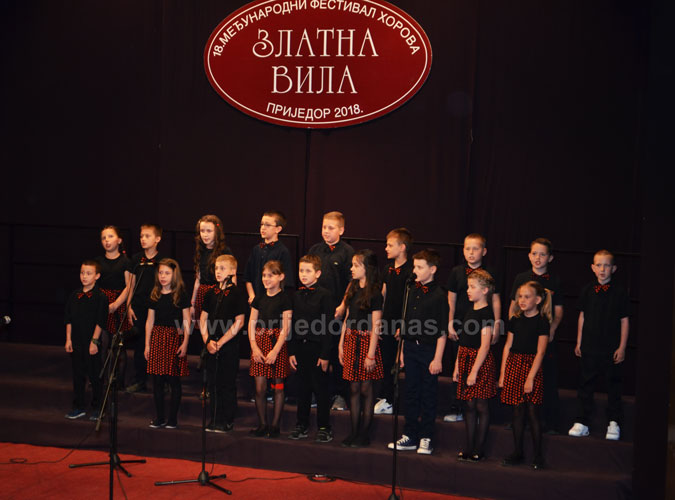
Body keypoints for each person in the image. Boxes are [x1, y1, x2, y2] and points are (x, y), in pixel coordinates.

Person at [388, 249, 448, 455]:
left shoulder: (439, 295)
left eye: (420, 267)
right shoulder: (411, 290)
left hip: (429, 349)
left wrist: (437, 358)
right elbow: (405, 323)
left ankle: (426, 437)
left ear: (432, 270)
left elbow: (442, 330)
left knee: (428, 394)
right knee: (411, 392)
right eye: (414, 267)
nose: (415, 271)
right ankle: (410, 435)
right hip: (410, 348)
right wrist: (402, 352)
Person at [569, 250, 630, 441]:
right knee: (585, 384)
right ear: (593, 268)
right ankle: (582, 422)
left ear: (614, 268)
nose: (602, 269)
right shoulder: (587, 290)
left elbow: (624, 320)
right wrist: (579, 341)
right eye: (599, 265)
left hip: (611, 347)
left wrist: (622, 347)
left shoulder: (620, 292)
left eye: (606, 265)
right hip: (589, 345)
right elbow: (582, 316)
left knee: (613, 385)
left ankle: (614, 422)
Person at [508, 237, 563, 433]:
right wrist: (513, 326)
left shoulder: (554, 280)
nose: (538, 258)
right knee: (518, 380)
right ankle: (518, 420)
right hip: (523, 336)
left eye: (542, 254)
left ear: (550, 258)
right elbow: (513, 306)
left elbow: (558, 311)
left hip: (542, 336)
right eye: (534, 253)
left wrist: (552, 329)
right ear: (529, 256)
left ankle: (547, 422)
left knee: (545, 379)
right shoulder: (521, 278)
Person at [444, 233, 501, 423]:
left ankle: (478, 408)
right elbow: (451, 300)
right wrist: (450, 322)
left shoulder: (491, 273)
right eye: (467, 248)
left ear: (484, 251)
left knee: (480, 366)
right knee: (459, 367)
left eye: (475, 248)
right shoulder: (457, 272)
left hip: (482, 325)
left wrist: (497, 323)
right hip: (461, 324)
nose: (471, 252)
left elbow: (496, 300)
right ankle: (457, 407)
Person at [500, 281, 551, 470]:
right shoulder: (515, 320)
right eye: (520, 296)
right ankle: (518, 451)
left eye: (527, 297)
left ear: (537, 300)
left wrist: (530, 378)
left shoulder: (542, 322)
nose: (522, 300)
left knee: (532, 411)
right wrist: (503, 373)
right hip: (514, 364)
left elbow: (541, 352)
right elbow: (508, 346)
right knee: (517, 410)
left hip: (531, 367)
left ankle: (538, 455)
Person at [308, 211, 354, 412]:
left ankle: (339, 395)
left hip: (335, 311)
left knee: (335, 354)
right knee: (315, 352)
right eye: (324, 227)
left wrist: (343, 304)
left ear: (341, 230)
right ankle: (317, 392)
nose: (326, 231)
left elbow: (352, 281)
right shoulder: (315, 249)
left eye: (331, 228)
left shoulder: (347, 252)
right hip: (315, 311)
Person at [338, 250, 383, 448]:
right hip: (351, 339)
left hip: (366, 342)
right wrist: (341, 343)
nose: (352, 269)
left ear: (368, 269)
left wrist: (371, 354)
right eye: (352, 265)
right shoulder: (353, 288)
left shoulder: (375, 293)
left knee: (366, 388)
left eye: (356, 265)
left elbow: (376, 325)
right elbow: (347, 317)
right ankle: (354, 431)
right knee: (353, 387)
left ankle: (364, 433)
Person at [288, 255, 334, 442]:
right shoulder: (296, 295)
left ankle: (324, 427)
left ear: (318, 273)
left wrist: (325, 354)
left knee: (320, 389)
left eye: (308, 271)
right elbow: (292, 325)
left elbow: (329, 326)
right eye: (301, 271)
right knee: (303, 389)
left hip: (317, 348)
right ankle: (302, 424)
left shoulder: (325, 295)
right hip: (300, 347)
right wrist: (291, 351)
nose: (303, 274)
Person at [199, 254, 247, 433]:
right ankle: (214, 418)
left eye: (222, 268)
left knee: (227, 383)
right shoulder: (211, 293)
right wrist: (207, 341)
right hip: (211, 344)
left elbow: (239, 322)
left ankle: (227, 419)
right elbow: (202, 319)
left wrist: (221, 342)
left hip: (228, 345)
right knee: (213, 384)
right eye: (216, 268)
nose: (218, 272)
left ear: (233, 271)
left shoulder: (237, 293)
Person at [454, 269, 497, 462]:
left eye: (472, 287)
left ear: (485, 290)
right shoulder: (469, 310)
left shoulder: (486, 313)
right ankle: (469, 446)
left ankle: (480, 448)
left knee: (481, 405)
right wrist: (457, 365)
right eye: (468, 286)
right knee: (469, 404)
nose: (468, 290)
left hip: (479, 362)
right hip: (465, 359)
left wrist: (474, 371)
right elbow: (463, 341)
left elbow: (485, 345)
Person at [248, 260, 293, 438]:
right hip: (259, 343)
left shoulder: (285, 298)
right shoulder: (259, 298)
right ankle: (262, 424)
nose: (266, 279)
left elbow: (286, 328)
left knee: (278, 387)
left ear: (281, 277)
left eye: (271, 275)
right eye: (264, 275)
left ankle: (275, 426)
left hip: (277, 344)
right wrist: (254, 347)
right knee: (260, 388)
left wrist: (275, 350)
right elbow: (251, 323)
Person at [144, 258, 190, 429]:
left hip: (173, 339)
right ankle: (160, 417)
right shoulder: (155, 294)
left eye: (167, 273)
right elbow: (149, 321)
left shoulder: (180, 295)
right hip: (157, 338)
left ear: (174, 275)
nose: (163, 276)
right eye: (161, 273)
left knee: (173, 380)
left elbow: (186, 321)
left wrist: (185, 343)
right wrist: (147, 344)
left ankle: (172, 418)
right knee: (157, 382)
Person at [376, 228, 414, 416]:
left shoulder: (411, 270)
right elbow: (383, 295)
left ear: (402, 247)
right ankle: (386, 397)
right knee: (386, 360)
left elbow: (411, 300)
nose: (386, 248)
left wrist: (403, 325)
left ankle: (394, 400)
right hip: (387, 321)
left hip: (402, 322)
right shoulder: (387, 269)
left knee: (398, 364)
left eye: (390, 245)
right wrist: (379, 321)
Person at [64, 260, 108, 420]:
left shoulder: (100, 296)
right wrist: (68, 339)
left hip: (91, 341)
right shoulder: (74, 295)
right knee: (78, 375)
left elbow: (101, 321)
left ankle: (98, 407)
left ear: (97, 276)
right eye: (82, 273)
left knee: (94, 375)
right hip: (76, 340)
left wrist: (94, 341)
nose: (84, 276)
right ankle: (79, 406)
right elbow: (68, 319)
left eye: (88, 273)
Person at [126, 223, 164, 394]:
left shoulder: (163, 260)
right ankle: (140, 380)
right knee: (140, 345)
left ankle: (163, 381)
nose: (143, 239)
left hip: (157, 307)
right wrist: (128, 306)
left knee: (159, 345)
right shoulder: (136, 259)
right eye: (141, 236)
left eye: (147, 236)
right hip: (139, 307)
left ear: (157, 239)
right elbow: (131, 285)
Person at [94, 226, 132, 354]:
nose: (106, 240)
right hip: (102, 303)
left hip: (119, 303)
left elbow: (129, 286)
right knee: (102, 342)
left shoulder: (125, 261)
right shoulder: (98, 261)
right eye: (103, 238)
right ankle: (101, 367)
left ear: (119, 240)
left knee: (118, 346)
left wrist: (115, 304)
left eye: (110, 236)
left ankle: (118, 368)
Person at [244, 210, 295, 304]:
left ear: (278, 229)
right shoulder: (256, 249)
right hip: (256, 299)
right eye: (262, 224)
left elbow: (286, 281)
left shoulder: (283, 251)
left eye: (267, 225)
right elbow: (248, 277)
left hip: (273, 301)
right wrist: (252, 295)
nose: (263, 228)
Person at [190, 214, 232, 324]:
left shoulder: (224, 251)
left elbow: (232, 277)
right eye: (202, 231)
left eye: (209, 231)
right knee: (202, 326)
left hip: (218, 293)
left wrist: (228, 298)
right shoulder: (201, 250)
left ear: (216, 232)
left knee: (216, 325)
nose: (205, 234)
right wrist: (192, 303)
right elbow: (198, 279)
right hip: (202, 293)